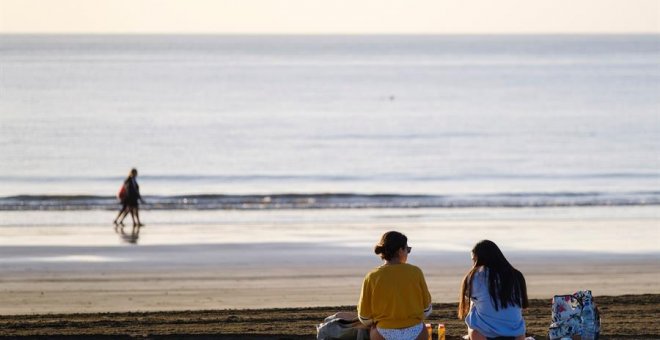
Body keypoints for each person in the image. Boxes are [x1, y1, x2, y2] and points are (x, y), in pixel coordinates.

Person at [358, 231, 433, 340]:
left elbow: (364, 317)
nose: (408, 253)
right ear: (400, 250)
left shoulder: (372, 276)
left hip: (383, 333)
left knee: (366, 330)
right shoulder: (415, 272)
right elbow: (427, 310)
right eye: (407, 249)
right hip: (416, 332)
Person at [458, 240, 528, 340]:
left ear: (480, 259)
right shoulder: (517, 275)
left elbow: (468, 296)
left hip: (483, 336)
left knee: (474, 304)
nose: (473, 265)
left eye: (474, 260)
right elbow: (521, 306)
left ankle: (471, 336)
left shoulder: (476, 276)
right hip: (517, 335)